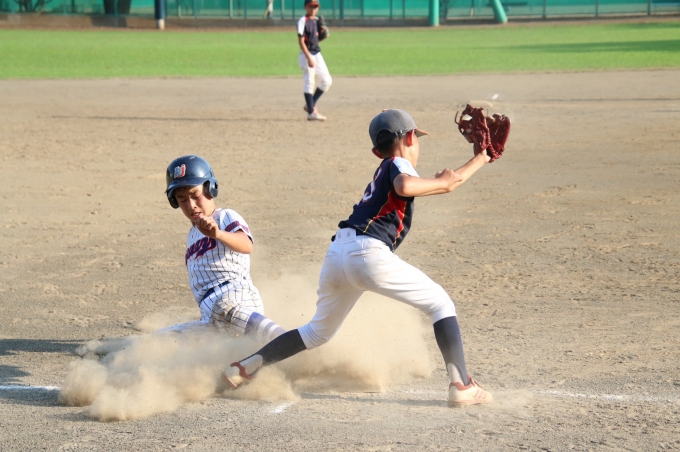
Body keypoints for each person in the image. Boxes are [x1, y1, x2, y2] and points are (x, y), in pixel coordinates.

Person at [220, 109, 494, 407]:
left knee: (316, 332)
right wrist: (444, 181)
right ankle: (461, 384)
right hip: (367, 253)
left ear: (376, 150)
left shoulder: (385, 168)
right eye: (417, 138)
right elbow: (406, 185)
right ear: (409, 138)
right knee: (440, 303)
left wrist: (482, 158)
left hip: (339, 253)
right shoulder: (397, 163)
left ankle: (244, 367)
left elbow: (449, 183)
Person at [161, 155, 285, 344]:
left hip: (235, 296)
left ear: (210, 188)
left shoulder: (224, 216)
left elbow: (246, 245)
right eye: (182, 199)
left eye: (195, 195)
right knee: (163, 339)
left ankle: (287, 341)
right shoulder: (192, 236)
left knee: (225, 308)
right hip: (211, 315)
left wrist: (218, 234)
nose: (191, 205)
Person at [297, 0, 332, 121]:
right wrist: (309, 58)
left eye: (315, 7)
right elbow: (301, 41)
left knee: (327, 80)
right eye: (311, 6)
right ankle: (311, 112)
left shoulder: (317, 20)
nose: (313, 9)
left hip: (317, 53)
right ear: (305, 7)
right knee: (309, 82)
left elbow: (315, 40)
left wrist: (324, 35)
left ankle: (310, 104)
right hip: (307, 54)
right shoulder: (303, 21)